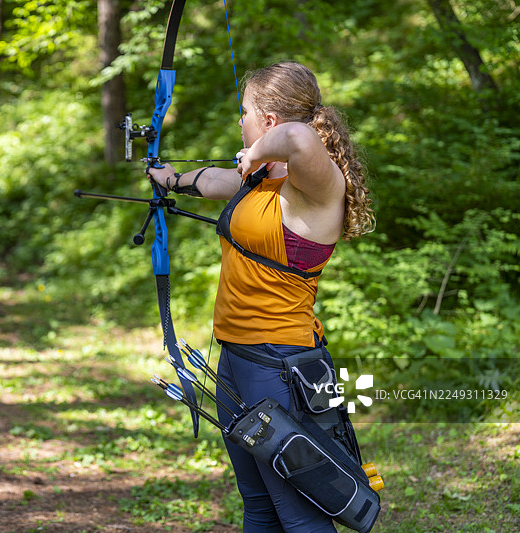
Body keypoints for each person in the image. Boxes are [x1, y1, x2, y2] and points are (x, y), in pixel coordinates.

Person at [148, 61, 375, 532]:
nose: (239, 121)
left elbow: (298, 141)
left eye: (245, 111)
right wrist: (170, 179)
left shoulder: (317, 186)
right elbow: (213, 181)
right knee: (260, 507)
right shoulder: (264, 182)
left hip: (282, 367)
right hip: (237, 359)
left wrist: (255, 153)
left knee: (302, 515)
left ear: (269, 123)